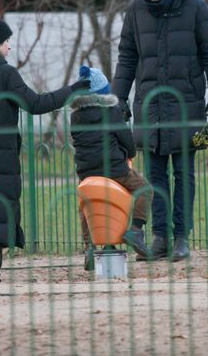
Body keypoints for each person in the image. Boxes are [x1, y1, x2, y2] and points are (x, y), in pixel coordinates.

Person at [0, 16, 90, 283]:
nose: (9, 47)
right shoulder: (4, 73)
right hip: (0, 155)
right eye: (6, 41)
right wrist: (73, 90)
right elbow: (35, 104)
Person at [112, 0, 208, 261]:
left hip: (186, 103)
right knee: (154, 176)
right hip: (149, 105)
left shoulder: (195, 7)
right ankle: (159, 237)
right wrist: (118, 98)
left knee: (184, 173)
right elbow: (127, 57)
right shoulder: (135, 11)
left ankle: (181, 237)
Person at [70, 66, 153, 270]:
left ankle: (90, 246)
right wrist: (129, 155)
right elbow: (128, 142)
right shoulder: (111, 111)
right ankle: (135, 230)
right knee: (145, 189)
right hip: (115, 170)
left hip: (86, 173)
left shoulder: (75, 116)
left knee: (86, 203)